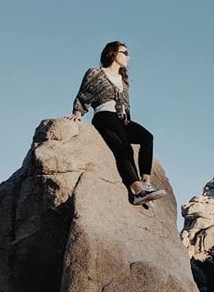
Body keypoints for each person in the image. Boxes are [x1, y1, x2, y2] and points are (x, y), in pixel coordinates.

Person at [68, 41, 167, 205]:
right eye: (125, 52)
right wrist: (77, 113)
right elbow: (84, 94)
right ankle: (138, 192)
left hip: (123, 119)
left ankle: (146, 183)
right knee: (124, 148)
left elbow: (125, 105)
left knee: (147, 137)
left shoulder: (123, 79)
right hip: (104, 116)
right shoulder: (96, 73)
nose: (129, 57)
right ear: (113, 53)